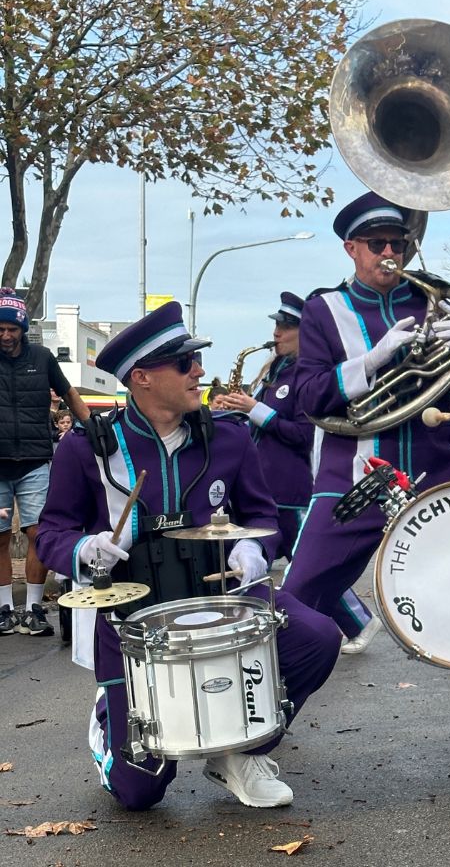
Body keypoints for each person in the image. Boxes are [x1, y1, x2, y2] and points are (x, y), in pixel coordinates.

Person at [34, 302, 340, 811]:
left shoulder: (229, 437)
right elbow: (51, 533)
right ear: (143, 378)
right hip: (131, 624)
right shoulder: (88, 447)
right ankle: (109, 718)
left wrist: (255, 548)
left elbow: (267, 521)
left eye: (195, 360)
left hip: (224, 607)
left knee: (317, 638)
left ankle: (244, 752)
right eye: (185, 363)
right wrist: (85, 549)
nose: (199, 371)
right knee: (139, 796)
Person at [283, 192, 450, 655]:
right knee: (296, 597)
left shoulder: (433, 301)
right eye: (376, 243)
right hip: (353, 475)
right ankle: (274, 700)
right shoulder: (324, 309)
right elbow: (308, 395)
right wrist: (373, 360)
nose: (389, 254)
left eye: (398, 244)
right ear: (351, 249)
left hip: (435, 464)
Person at [0, 287, 90, 638]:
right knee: (0, 538)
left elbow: (68, 392)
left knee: (39, 534)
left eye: (12, 329)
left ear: (22, 329)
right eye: (0, 329)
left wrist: (91, 426)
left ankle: (35, 609)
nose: (6, 336)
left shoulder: (42, 357)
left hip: (36, 459)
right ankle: (5, 609)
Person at [218, 292, 315, 561]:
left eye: (285, 327)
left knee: (309, 576)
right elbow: (256, 428)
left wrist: (255, 409)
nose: (276, 333)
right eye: (276, 325)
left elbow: (304, 435)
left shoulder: (307, 374)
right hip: (259, 495)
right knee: (249, 574)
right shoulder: (273, 371)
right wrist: (234, 410)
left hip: (290, 496)